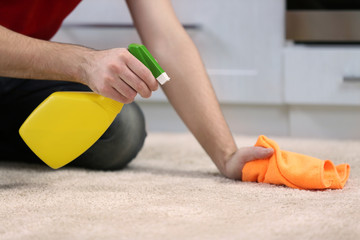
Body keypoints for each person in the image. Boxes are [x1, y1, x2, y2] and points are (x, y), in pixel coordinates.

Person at [0, 0, 273, 180]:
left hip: (15, 75)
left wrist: (226, 155)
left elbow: (167, 40)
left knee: (121, 130)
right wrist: (82, 63)